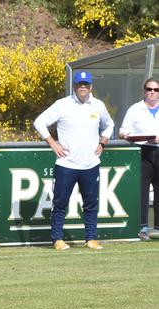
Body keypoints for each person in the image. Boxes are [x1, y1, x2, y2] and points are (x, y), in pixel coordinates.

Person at [33, 70, 114, 251]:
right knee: (60, 203)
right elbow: (39, 122)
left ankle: (91, 238)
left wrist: (103, 142)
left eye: (86, 84)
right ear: (74, 86)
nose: (82, 87)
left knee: (91, 203)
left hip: (91, 163)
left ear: (91, 86)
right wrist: (53, 143)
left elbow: (110, 125)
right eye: (79, 84)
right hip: (66, 164)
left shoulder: (98, 105)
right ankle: (57, 239)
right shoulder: (62, 105)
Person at [118, 77, 159, 241]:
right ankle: (142, 227)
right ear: (144, 91)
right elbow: (123, 129)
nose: (152, 93)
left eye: (156, 90)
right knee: (142, 191)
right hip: (143, 152)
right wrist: (124, 135)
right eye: (149, 89)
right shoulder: (135, 109)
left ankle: (157, 227)